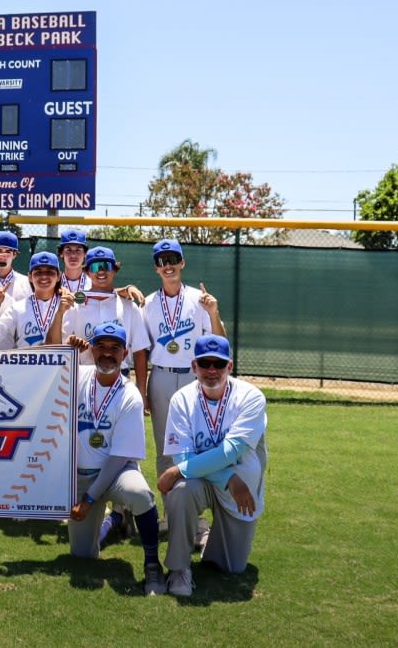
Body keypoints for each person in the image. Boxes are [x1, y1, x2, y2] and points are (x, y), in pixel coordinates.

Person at [157, 335, 267, 597]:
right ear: (194, 367)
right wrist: (229, 477)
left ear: (230, 367)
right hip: (225, 482)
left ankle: (206, 538)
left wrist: (177, 470)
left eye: (218, 364)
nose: (211, 370)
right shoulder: (181, 399)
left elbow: (233, 450)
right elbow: (182, 458)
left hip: (241, 490)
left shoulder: (251, 397)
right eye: (205, 363)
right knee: (182, 489)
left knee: (231, 567)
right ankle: (179, 569)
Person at [67, 322, 166, 595]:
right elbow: (39, 368)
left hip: (116, 473)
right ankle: (113, 522)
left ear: (125, 353)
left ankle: (152, 566)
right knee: (82, 555)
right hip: (80, 475)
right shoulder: (76, 375)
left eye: (115, 348)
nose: (107, 354)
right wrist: (65, 350)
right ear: (92, 350)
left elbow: (119, 457)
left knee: (140, 494)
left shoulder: (131, 396)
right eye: (101, 347)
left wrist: (89, 500)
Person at [143, 238, 226, 544]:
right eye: (162, 261)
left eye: (173, 259)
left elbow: (220, 341)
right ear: (156, 267)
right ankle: (172, 515)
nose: (168, 265)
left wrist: (214, 312)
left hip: (195, 380)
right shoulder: (148, 303)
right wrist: (143, 388)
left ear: (182, 263)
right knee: (166, 447)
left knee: (198, 447)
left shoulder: (199, 299)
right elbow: (142, 349)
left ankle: (199, 521)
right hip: (162, 376)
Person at [62, 246, 150, 395]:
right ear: (87, 272)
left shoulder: (128, 306)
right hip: (84, 375)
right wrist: (72, 345)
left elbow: (139, 351)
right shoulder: (75, 304)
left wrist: (142, 390)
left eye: (106, 266)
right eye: (95, 266)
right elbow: (63, 345)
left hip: (121, 375)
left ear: (115, 270)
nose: (101, 271)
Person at [0, 251, 74, 349]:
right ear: (30, 277)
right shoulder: (17, 308)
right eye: (38, 272)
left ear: (58, 276)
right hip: (26, 363)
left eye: (50, 272)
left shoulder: (69, 305)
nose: (44, 276)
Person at [57, 229, 92, 296]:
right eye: (68, 250)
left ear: (85, 254)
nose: (73, 255)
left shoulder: (93, 283)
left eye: (78, 250)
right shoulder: (53, 284)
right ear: (61, 253)